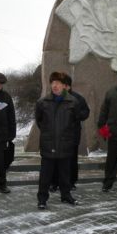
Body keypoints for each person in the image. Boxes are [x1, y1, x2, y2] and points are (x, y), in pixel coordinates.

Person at [35, 72, 81, 209]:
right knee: (45, 175)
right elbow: (40, 122)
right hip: (48, 144)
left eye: (58, 83)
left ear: (64, 86)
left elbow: (75, 121)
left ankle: (66, 196)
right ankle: (42, 199)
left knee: (65, 173)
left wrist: (67, 136)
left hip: (65, 144)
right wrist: (50, 134)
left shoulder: (73, 102)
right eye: (53, 83)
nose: (55, 86)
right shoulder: (42, 102)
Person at [49, 74, 90, 192]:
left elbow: (86, 112)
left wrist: (76, 115)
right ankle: (54, 182)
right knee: (55, 160)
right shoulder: (53, 97)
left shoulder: (77, 98)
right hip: (56, 136)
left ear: (67, 86)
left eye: (63, 85)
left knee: (71, 160)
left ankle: (71, 182)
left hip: (72, 135)